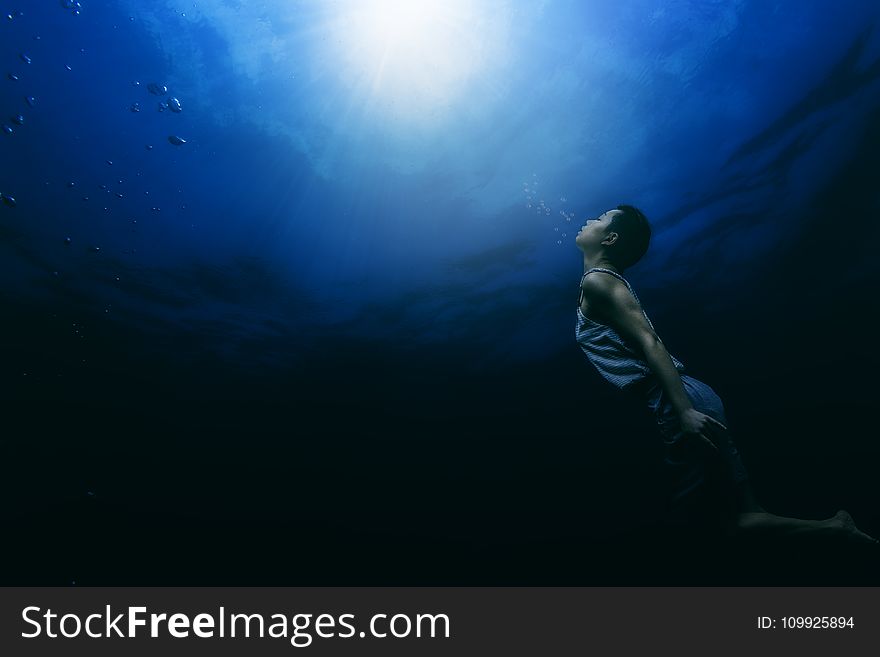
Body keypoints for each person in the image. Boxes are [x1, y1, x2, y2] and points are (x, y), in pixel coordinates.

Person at [574, 205, 878, 546]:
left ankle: (835, 530)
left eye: (599, 219)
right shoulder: (601, 283)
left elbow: (651, 341)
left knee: (718, 527)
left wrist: (684, 412)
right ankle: (830, 541)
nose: (589, 220)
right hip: (692, 396)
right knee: (748, 512)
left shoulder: (598, 282)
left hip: (679, 402)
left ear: (611, 238)